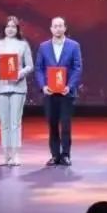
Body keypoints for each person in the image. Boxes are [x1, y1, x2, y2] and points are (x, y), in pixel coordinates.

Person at [35, 16, 83, 166]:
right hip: (50, 92)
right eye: (55, 26)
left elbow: (77, 67)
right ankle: (55, 155)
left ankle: (66, 155)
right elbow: (39, 68)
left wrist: (70, 86)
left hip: (66, 92)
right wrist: (43, 86)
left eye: (60, 26)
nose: (58, 29)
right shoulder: (43, 47)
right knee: (52, 124)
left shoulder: (74, 46)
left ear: (65, 28)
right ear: (51, 29)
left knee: (66, 124)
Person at [0, 16, 34, 166]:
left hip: (18, 87)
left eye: (13, 26)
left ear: (17, 29)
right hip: (1, 87)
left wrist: (19, 74)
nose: (10, 29)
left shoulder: (23, 44)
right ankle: (6, 154)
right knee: (4, 123)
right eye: (8, 26)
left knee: (15, 122)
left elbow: (30, 66)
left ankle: (15, 154)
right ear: (4, 28)